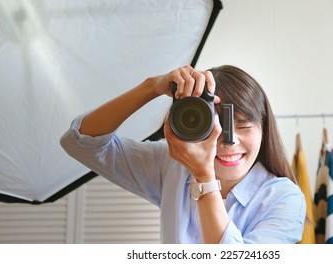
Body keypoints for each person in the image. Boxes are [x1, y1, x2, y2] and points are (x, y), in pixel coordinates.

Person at [60, 65, 306, 243]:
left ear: (264, 129)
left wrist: (204, 176)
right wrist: (151, 87)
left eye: (241, 125)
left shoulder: (284, 199)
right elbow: (80, 143)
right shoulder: (173, 165)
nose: (228, 143)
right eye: (212, 127)